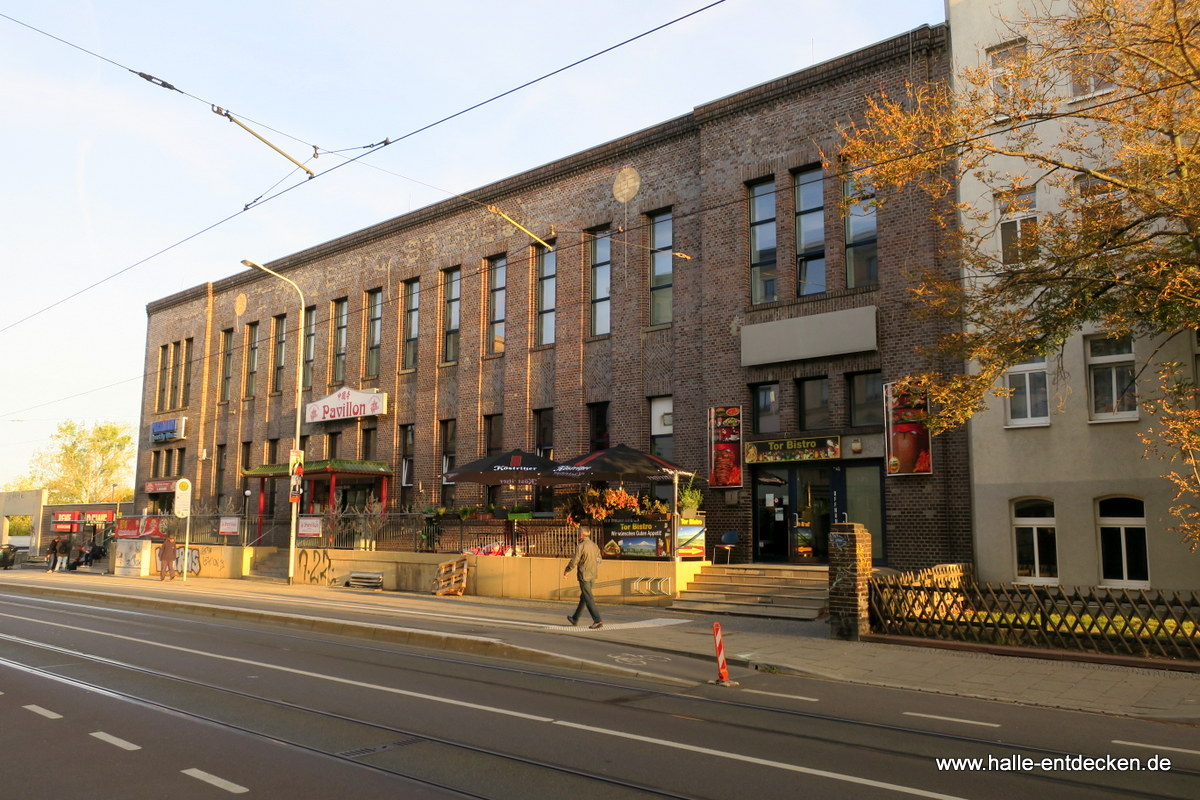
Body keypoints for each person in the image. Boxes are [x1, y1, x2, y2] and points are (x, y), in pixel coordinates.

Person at [563, 528, 603, 629]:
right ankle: (575, 618)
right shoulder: (594, 545)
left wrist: (567, 570)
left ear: (581, 535)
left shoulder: (581, 546)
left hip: (584, 575)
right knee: (584, 597)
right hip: (593, 575)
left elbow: (574, 560)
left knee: (588, 597)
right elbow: (599, 559)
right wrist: (592, 565)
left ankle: (597, 620)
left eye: (578, 533)